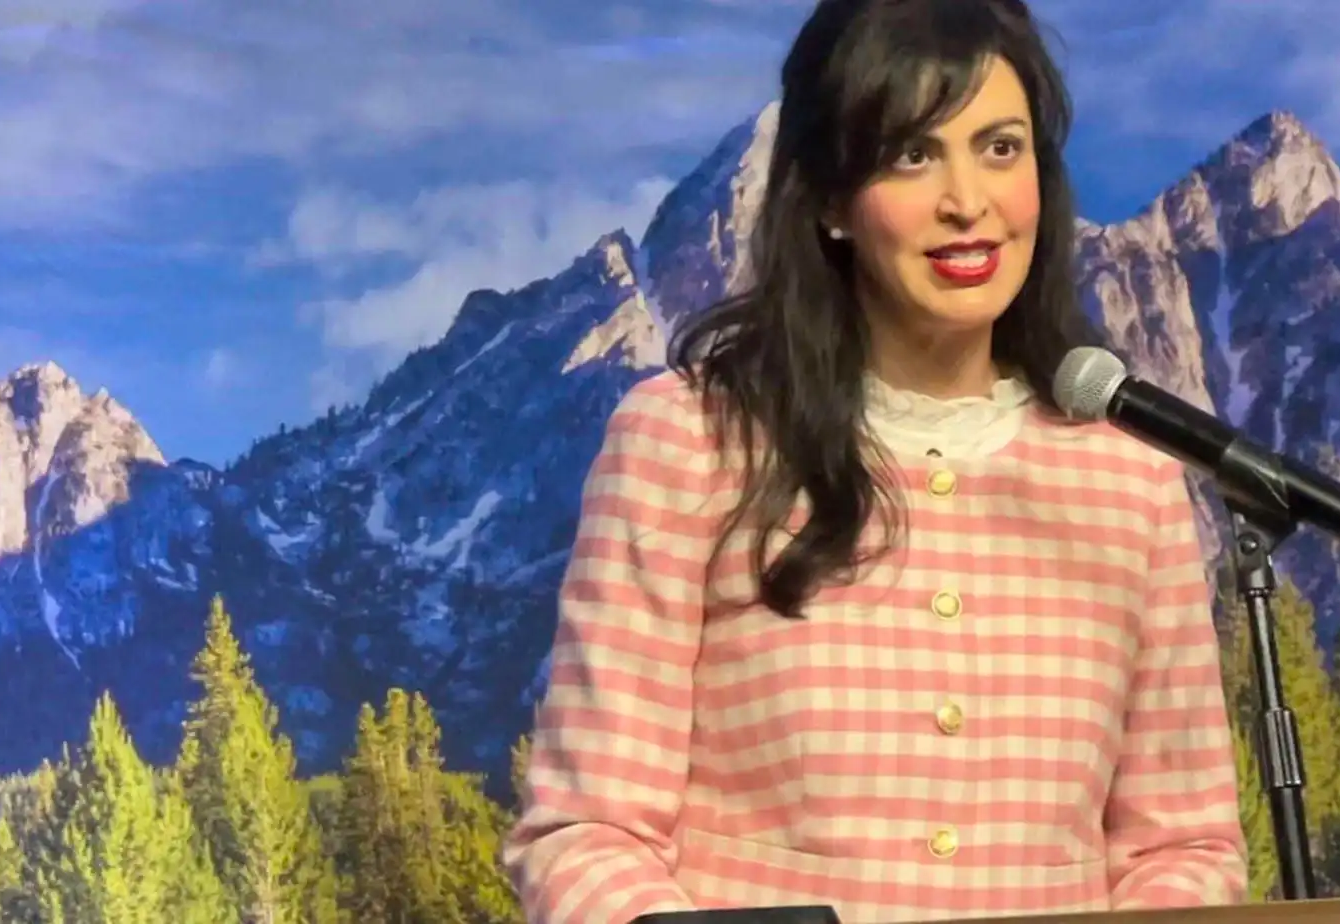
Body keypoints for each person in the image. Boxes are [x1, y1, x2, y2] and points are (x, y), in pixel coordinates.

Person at [502, 1, 1248, 921]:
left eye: (1000, 148)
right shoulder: (688, 441)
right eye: (912, 154)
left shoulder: (1130, 477)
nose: (967, 200)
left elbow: (1182, 847)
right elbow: (588, 833)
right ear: (829, 198)